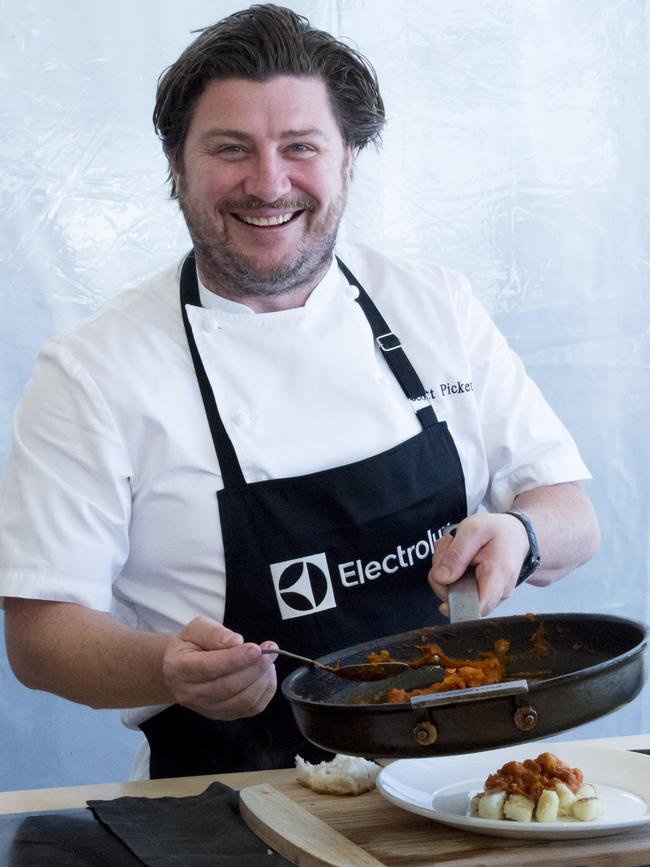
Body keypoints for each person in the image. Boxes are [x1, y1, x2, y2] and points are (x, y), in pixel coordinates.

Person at [0, 4, 599, 779]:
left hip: (461, 782)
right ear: (176, 167)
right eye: (231, 149)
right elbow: (41, 636)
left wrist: (523, 534)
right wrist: (166, 666)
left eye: (300, 147)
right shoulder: (94, 371)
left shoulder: (432, 305)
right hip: (231, 804)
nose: (268, 182)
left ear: (347, 158)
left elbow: (571, 513)